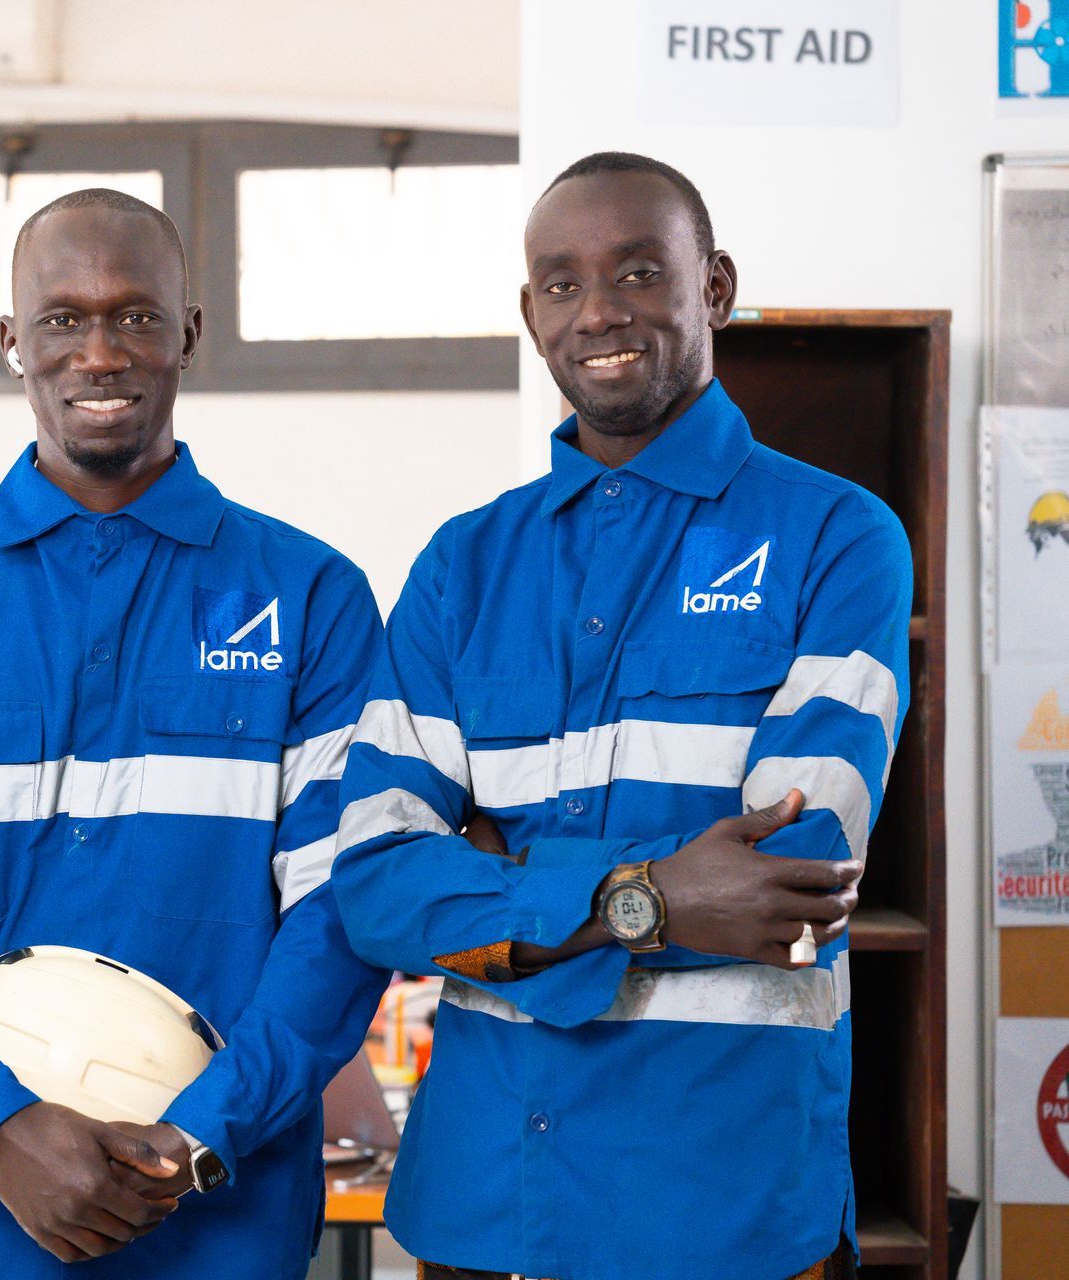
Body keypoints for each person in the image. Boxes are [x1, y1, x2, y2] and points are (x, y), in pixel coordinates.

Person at [331, 152, 908, 1280]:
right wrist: (646, 894)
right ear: (528, 310)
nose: (597, 310)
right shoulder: (461, 566)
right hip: (484, 1201)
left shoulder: (839, 538)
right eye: (560, 282)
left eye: (639, 271)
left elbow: (790, 882)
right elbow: (376, 887)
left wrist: (502, 879)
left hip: (719, 1198)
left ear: (716, 286)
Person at [0, 189, 390, 1277]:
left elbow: (340, 911)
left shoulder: (312, 595)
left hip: (220, 1207)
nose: (101, 350)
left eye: (135, 315)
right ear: (11, 342)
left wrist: (200, 1131)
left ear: (189, 335)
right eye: (64, 318)